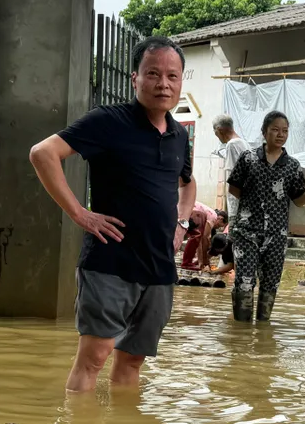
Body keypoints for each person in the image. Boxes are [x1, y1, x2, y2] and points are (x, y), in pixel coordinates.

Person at [29, 35, 197, 392]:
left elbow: (187, 183)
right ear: (135, 78)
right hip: (110, 260)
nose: (163, 84)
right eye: (153, 74)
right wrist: (80, 213)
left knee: (133, 359)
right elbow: (43, 153)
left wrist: (181, 223)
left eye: (172, 76)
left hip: (159, 266)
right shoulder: (108, 121)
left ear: (181, 81)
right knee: (95, 356)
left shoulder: (180, 136)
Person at [228, 110, 305, 322]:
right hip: (246, 232)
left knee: (271, 283)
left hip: (277, 234)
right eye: (275, 130)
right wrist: (252, 202)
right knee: (244, 282)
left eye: (285, 131)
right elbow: (234, 187)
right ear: (264, 132)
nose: (280, 134)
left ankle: (262, 331)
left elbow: (298, 199)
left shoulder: (292, 166)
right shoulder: (249, 158)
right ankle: (242, 335)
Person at [214, 114, 250, 223]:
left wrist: (233, 212)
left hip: (238, 204)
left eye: (215, 132)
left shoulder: (232, 145)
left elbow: (233, 179)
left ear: (219, 130)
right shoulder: (244, 143)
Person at [181, 202, 223, 270]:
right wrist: (203, 260)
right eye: (218, 226)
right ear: (220, 219)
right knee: (195, 236)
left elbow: (201, 241)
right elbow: (204, 238)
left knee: (193, 236)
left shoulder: (207, 214)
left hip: (184, 210)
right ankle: (186, 263)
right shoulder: (213, 217)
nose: (216, 227)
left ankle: (187, 262)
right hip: (191, 211)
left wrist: (201, 260)